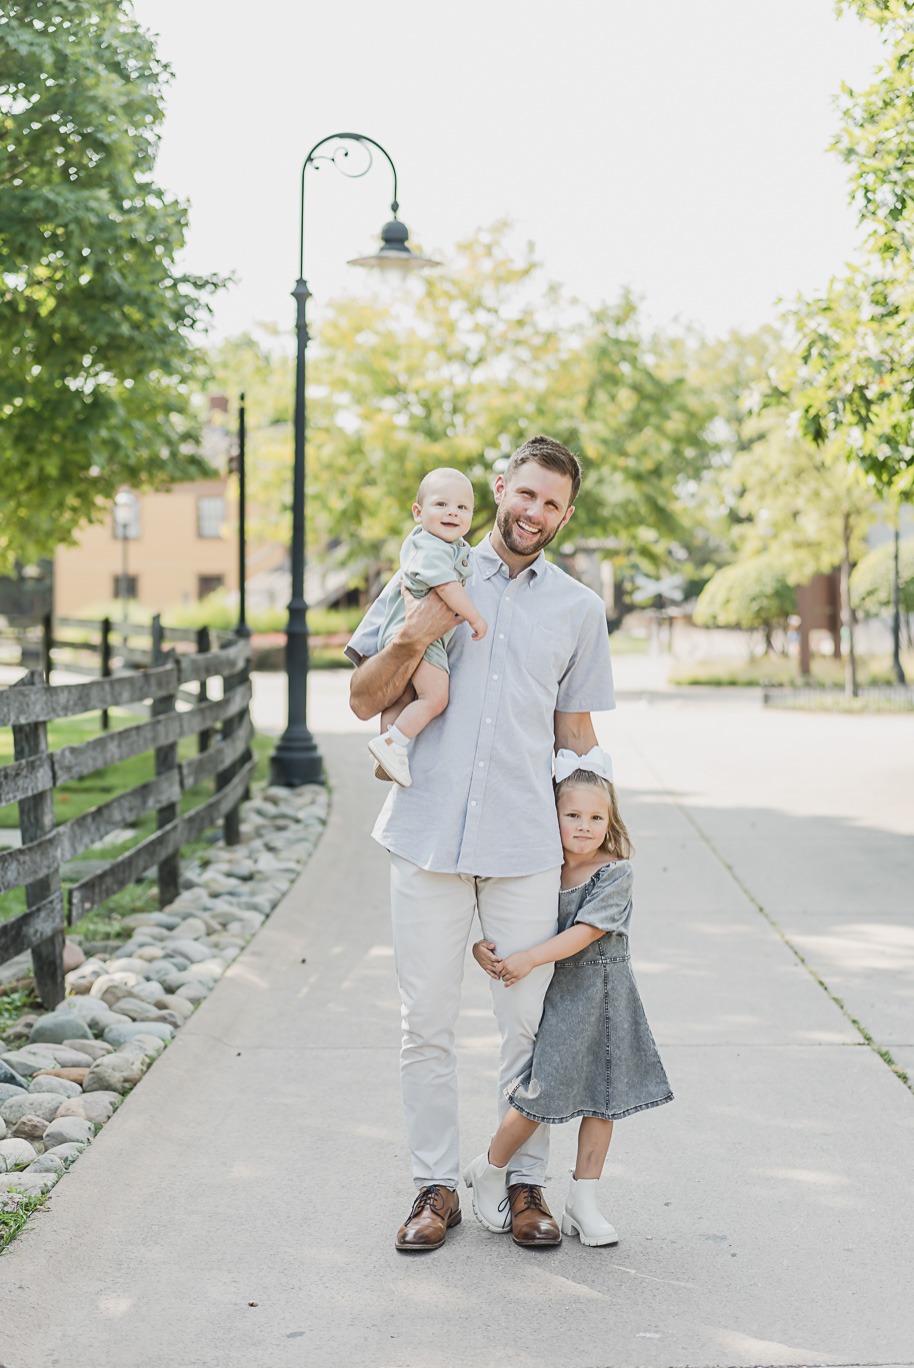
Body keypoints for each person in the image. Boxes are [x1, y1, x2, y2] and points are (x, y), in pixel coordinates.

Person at [346, 434, 616, 1252]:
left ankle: (523, 1181)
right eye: (524, 493)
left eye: (552, 503)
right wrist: (409, 634)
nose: (534, 512)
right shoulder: (427, 572)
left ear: (567, 514)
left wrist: (603, 848)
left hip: (525, 846)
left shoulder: (578, 609)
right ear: (500, 488)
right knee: (423, 1022)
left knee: (526, 1025)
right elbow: (363, 700)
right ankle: (435, 1186)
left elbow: (578, 737)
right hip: (425, 836)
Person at [466, 748, 673, 1247]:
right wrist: (482, 944)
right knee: (541, 1092)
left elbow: (584, 932)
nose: (584, 826)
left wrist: (532, 957)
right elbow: (502, 916)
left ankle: (584, 1201)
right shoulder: (541, 870)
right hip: (559, 999)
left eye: (596, 817)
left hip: (607, 998)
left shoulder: (615, 872)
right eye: (572, 815)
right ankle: (491, 1167)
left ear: (610, 820)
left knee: (603, 1101)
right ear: (551, 817)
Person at [368, 467, 487, 788]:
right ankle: (393, 744)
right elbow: (447, 587)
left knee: (405, 697)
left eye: (463, 508)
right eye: (442, 504)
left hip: (409, 630)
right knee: (436, 698)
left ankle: (388, 750)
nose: (453, 512)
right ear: (418, 513)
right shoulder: (431, 546)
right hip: (419, 631)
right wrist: (475, 617)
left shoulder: (445, 545)